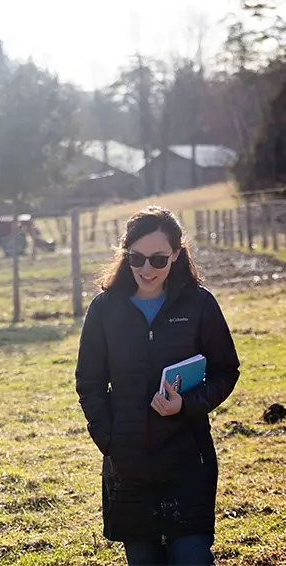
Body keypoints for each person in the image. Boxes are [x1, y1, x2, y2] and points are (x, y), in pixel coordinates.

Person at [75, 206, 240, 566]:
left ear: (177, 254)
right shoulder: (104, 309)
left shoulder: (199, 304)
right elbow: (88, 382)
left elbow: (226, 370)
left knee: (191, 557)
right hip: (128, 464)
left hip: (187, 460)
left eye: (158, 259)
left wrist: (187, 405)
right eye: (136, 258)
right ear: (124, 254)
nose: (146, 269)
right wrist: (109, 438)